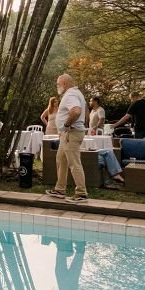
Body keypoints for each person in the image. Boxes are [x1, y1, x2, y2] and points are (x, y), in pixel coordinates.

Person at [46, 74, 88, 202]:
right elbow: (86, 111)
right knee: (61, 159)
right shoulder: (77, 93)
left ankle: (81, 193)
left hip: (71, 133)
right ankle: (60, 189)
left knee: (74, 163)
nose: (57, 86)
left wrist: (66, 125)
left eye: (58, 84)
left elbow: (76, 111)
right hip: (68, 134)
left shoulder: (70, 94)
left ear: (64, 83)